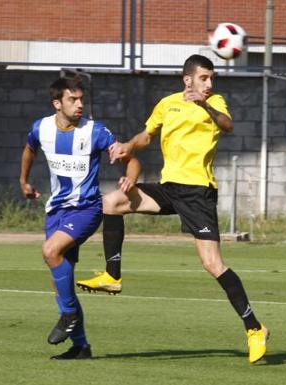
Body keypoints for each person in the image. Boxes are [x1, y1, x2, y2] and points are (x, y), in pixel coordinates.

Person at [75, 54, 269, 363]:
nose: (209, 83)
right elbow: (147, 135)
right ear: (187, 79)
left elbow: (228, 125)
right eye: (204, 78)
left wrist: (204, 105)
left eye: (211, 78)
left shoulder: (215, 102)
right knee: (111, 203)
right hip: (170, 188)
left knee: (212, 264)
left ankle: (254, 328)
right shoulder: (167, 104)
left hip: (198, 193)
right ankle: (113, 276)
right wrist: (129, 144)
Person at [19, 77, 140, 360]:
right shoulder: (42, 128)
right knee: (60, 277)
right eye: (73, 100)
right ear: (57, 103)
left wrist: (130, 179)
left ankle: (69, 315)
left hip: (86, 209)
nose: (80, 105)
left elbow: (131, 158)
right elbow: (29, 149)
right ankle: (81, 346)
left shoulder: (95, 132)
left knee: (50, 252)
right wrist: (23, 181)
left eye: (81, 99)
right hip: (56, 211)